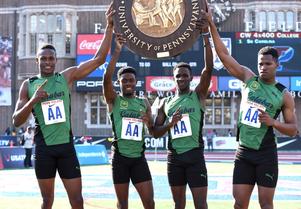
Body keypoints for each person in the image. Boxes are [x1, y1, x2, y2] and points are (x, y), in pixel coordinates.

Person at [11, 4, 115, 209]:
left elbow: (99, 59)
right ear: (37, 61)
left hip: (66, 148)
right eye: (43, 59)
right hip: (43, 150)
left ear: (56, 60)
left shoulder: (66, 77)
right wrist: (33, 101)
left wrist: (109, 26)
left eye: (51, 58)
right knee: (47, 200)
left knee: (77, 200)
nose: (47, 62)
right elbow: (16, 121)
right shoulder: (28, 85)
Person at [204, 2, 298, 209]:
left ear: (277, 65)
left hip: (266, 153)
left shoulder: (284, 95)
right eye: (260, 63)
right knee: (239, 204)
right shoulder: (249, 79)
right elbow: (224, 57)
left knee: (266, 204)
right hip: (243, 152)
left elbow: (293, 130)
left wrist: (273, 122)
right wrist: (211, 24)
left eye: (268, 63)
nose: (263, 67)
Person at [150, 18, 213, 209]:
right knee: (178, 205)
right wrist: (170, 123)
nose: (181, 78)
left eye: (185, 75)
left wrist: (205, 36)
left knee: (200, 205)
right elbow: (155, 132)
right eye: (178, 76)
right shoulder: (165, 103)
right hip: (174, 158)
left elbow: (208, 68)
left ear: (190, 77)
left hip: (195, 157)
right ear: (174, 79)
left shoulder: (198, 95)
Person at [103, 34, 155, 209]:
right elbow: (105, 78)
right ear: (119, 82)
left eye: (131, 80)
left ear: (136, 82)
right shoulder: (113, 100)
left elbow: (153, 129)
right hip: (120, 159)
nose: (128, 83)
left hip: (139, 158)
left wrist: (149, 122)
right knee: (122, 204)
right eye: (124, 80)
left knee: (149, 203)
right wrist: (117, 51)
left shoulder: (144, 102)